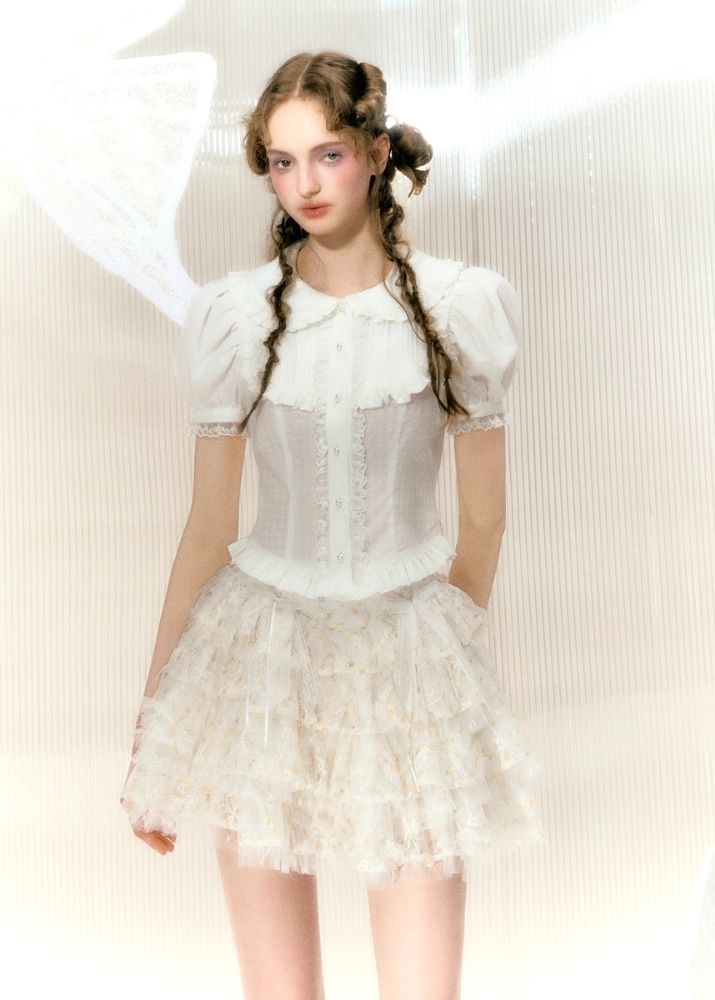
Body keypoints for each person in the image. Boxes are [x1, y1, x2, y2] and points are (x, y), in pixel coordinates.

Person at [120, 50, 543, 1000]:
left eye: (328, 155)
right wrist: (153, 729)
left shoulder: (457, 307)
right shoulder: (235, 317)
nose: (305, 183)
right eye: (282, 161)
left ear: (377, 153)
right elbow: (208, 527)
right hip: (260, 668)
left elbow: (485, 520)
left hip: (406, 655)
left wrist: (443, 659)